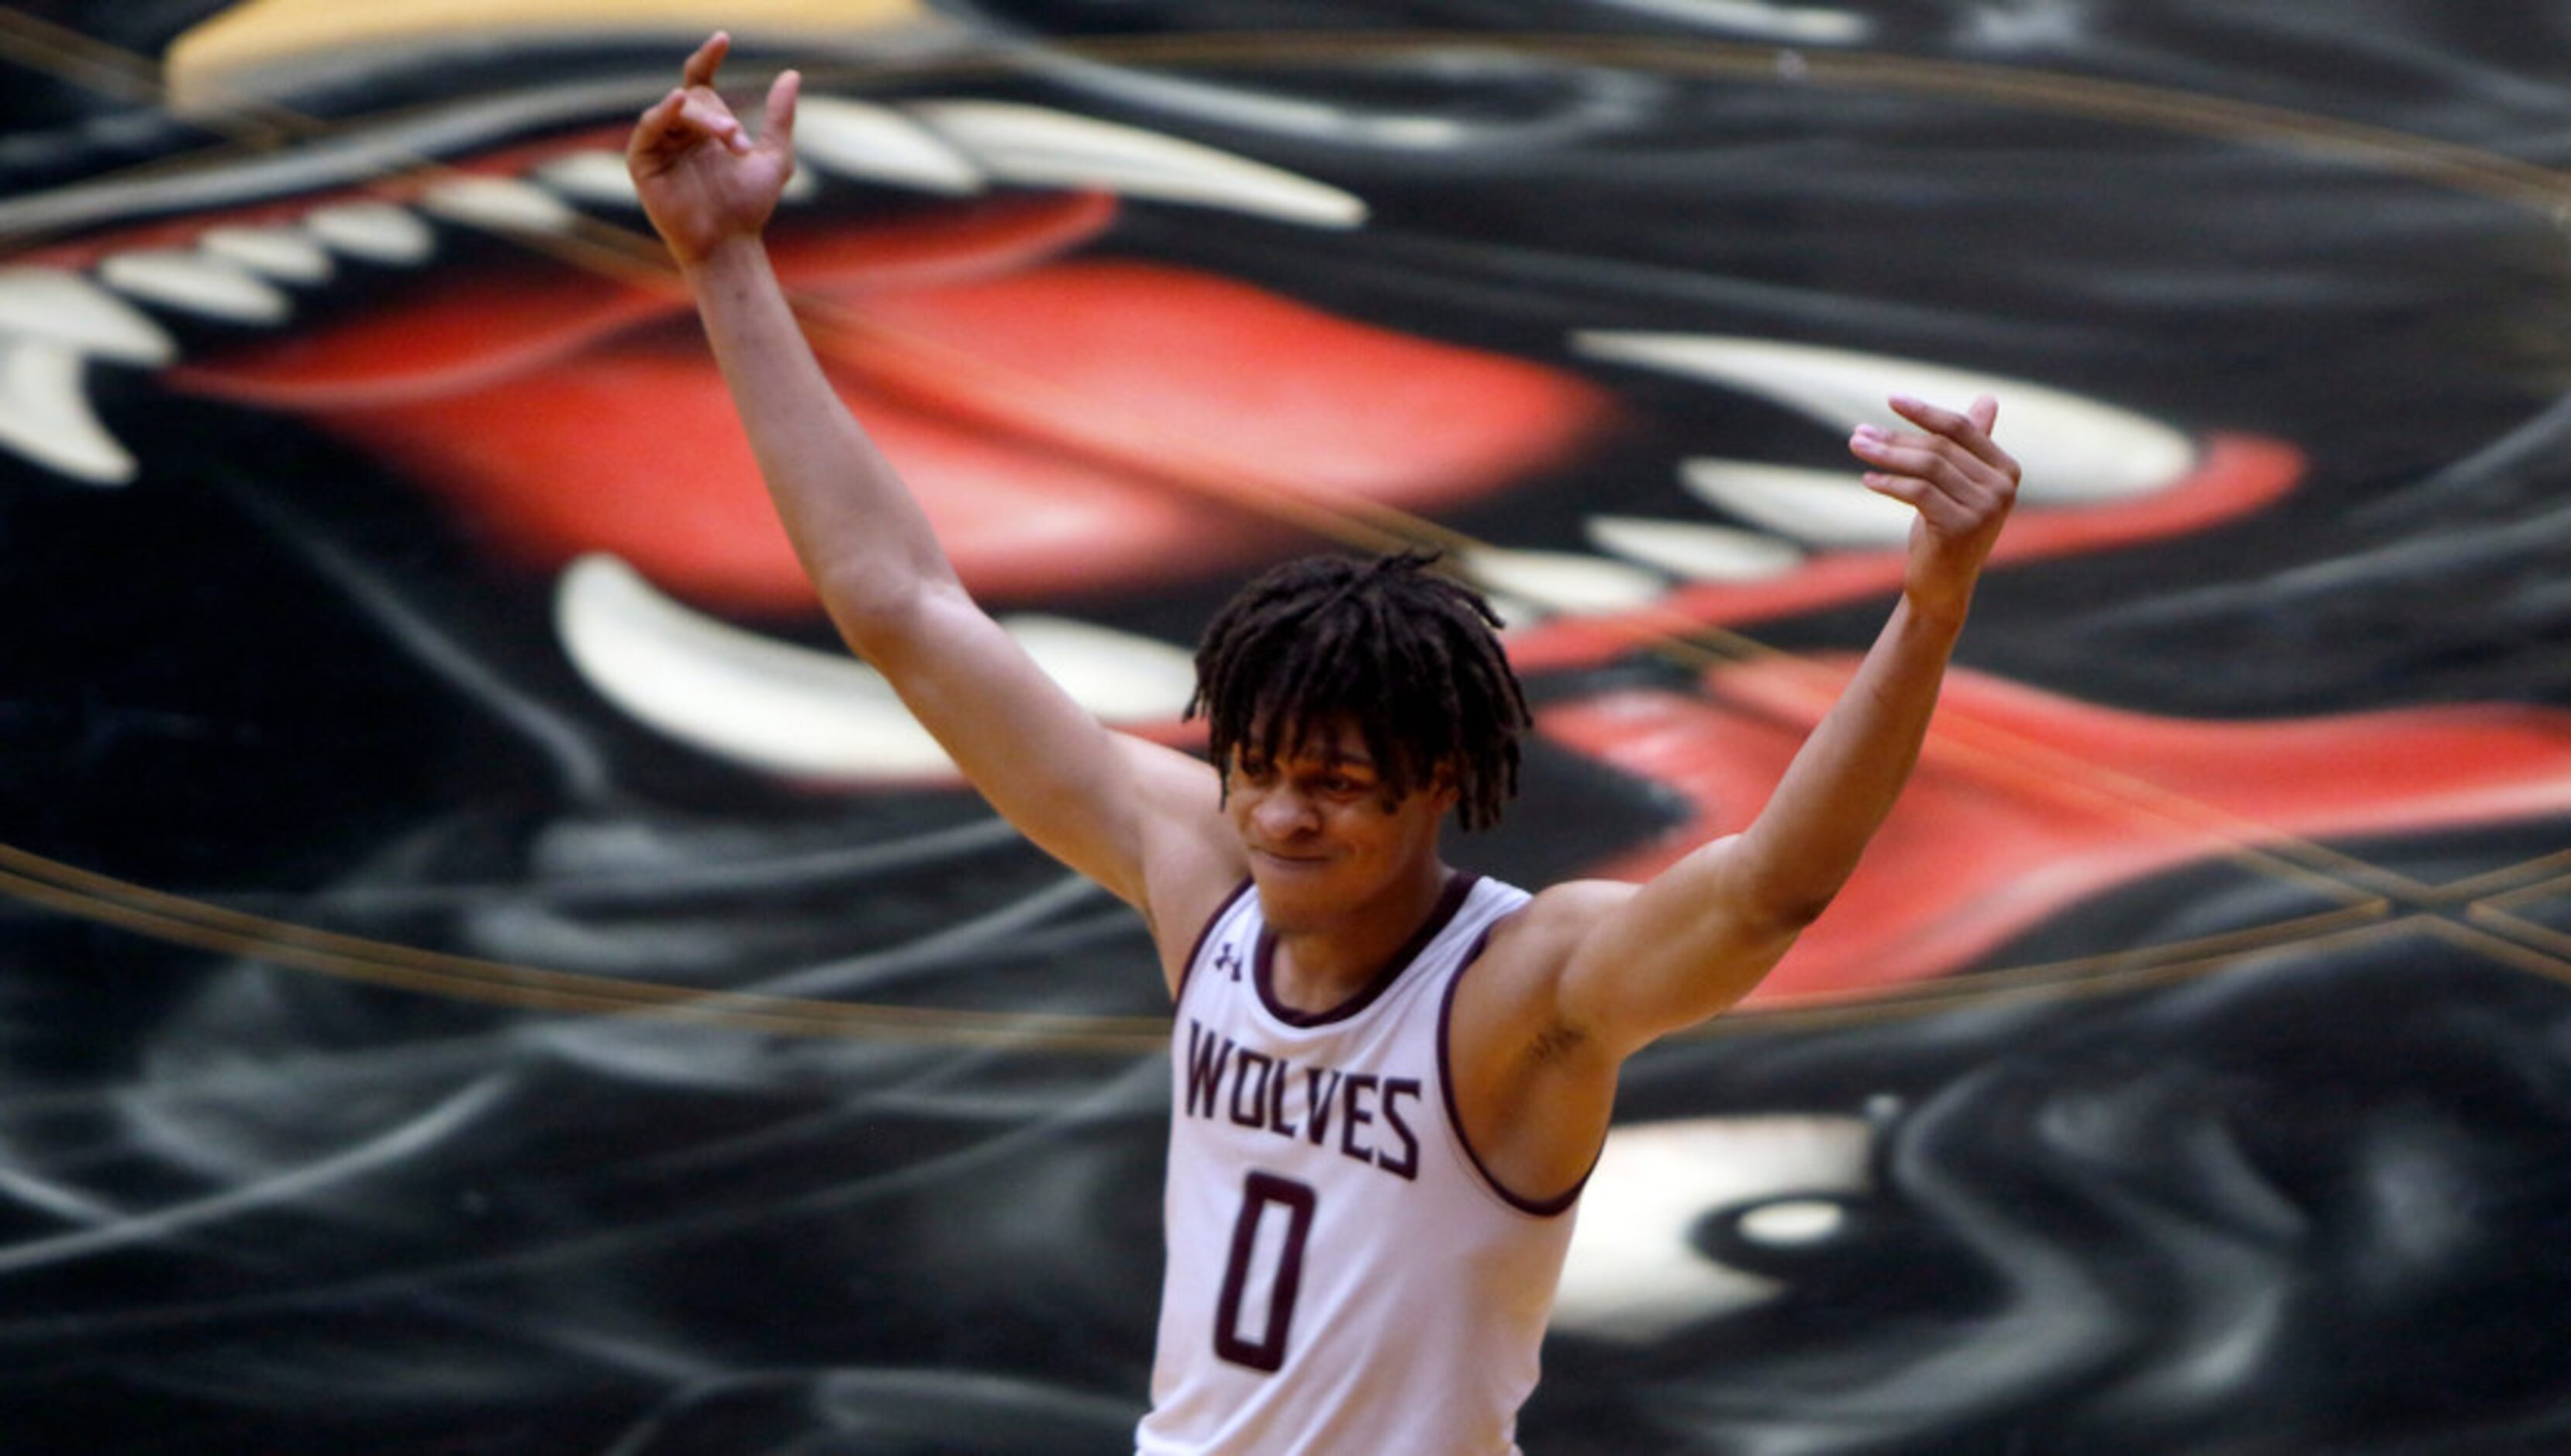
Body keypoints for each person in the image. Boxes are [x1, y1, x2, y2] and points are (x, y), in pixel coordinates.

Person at [627, 33, 2019, 1455]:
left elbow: (1767, 889)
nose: (1284, 816)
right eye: (1263, 768)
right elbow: (903, 606)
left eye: (1339, 784)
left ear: (1435, 788)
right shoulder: (1204, 878)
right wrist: (725, 264)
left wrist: (1929, 605)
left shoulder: (1521, 995)